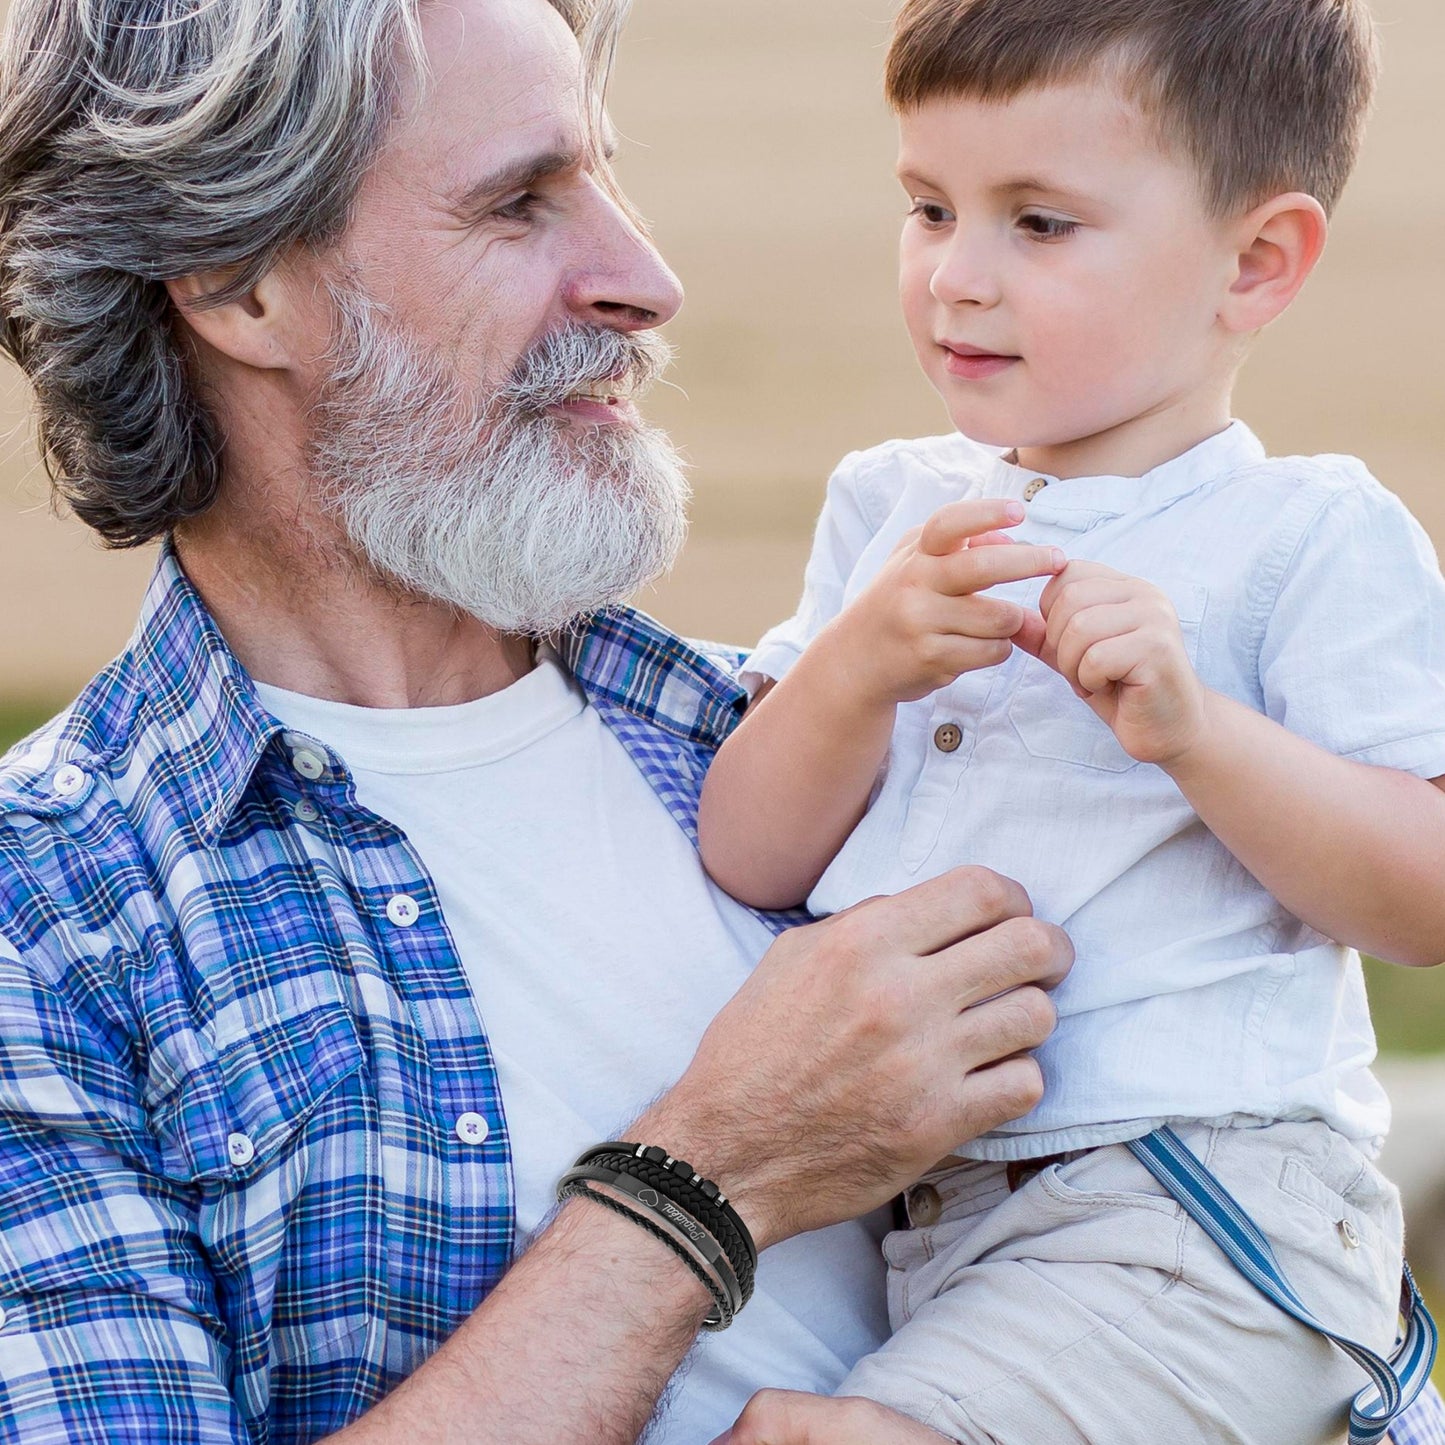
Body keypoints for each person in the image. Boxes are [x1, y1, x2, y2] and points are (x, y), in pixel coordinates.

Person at [0, 0, 1079, 1441]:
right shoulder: (47, 926)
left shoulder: (808, 733)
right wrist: (707, 1174)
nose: (646, 278)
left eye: (606, 180)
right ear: (237, 278)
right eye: (519, 202)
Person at [696, 0, 1445, 1441]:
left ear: (1254, 260)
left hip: (1195, 1204)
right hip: (922, 1214)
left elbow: (1421, 896)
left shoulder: (1301, 535)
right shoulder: (889, 510)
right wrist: (852, 672)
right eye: (926, 208)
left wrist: (1194, 732)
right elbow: (750, 852)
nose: (953, 278)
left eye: (1037, 224)